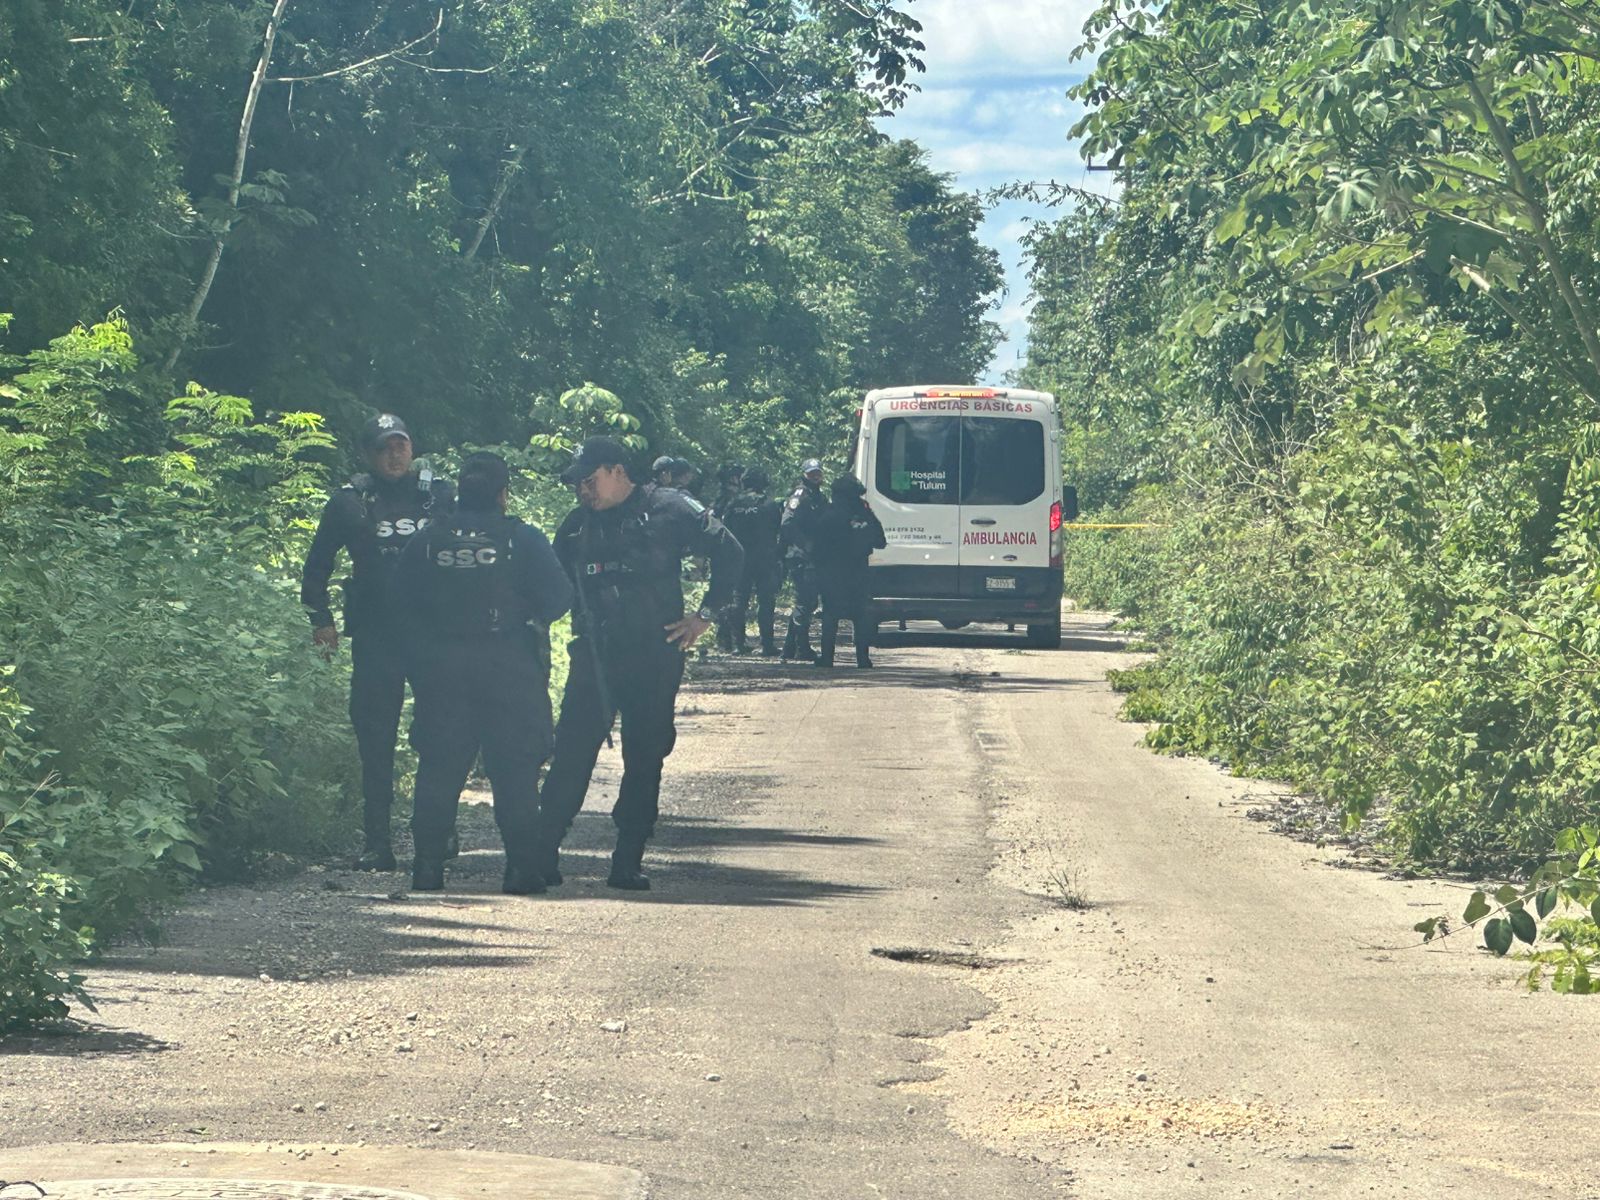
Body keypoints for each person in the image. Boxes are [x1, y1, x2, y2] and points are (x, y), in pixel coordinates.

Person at [537, 436, 744, 891]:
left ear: (617, 471)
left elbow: (731, 552)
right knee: (571, 752)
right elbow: (551, 587)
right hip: (595, 657)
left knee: (645, 755)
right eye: (577, 484)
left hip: (653, 655)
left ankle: (628, 858)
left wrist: (705, 616)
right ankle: (542, 853)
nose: (583, 491)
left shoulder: (669, 508)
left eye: (590, 480)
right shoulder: (575, 527)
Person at [396, 452, 573, 893]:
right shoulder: (521, 538)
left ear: (459, 492)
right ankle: (521, 871)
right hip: (507, 664)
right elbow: (559, 598)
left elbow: (400, 600)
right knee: (515, 769)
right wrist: (523, 613)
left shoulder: (428, 540)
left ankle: (427, 869)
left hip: (443, 665)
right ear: (502, 494)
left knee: (439, 766)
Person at [301, 413, 455, 871]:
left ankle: (440, 831)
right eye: (384, 447)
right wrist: (321, 620)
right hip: (376, 638)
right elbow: (317, 567)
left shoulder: (440, 496)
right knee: (375, 738)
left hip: (434, 636)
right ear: (367, 454)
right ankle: (377, 843)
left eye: (401, 445)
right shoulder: (349, 503)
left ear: (413, 448)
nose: (394, 454)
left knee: (442, 732)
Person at [812, 474, 887, 669]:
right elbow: (881, 541)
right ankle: (863, 659)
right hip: (859, 572)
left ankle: (827, 659)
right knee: (860, 615)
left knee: (830, 615)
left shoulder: (827, 515)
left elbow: (816, 548)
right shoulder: (865, 514)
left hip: (832, 573)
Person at [722, 467, 784, 655]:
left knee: (739, 600)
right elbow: (779, 529)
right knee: (766, 601)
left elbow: (725, 531)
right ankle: (766, 645)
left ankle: (737, 644)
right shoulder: (770, 505)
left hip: (740, 558)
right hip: (765, 559)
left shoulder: (733, 505)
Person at [779, 458, 827, 661]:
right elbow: (787, 522)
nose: (815, 476)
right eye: (811, 473)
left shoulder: (818, 497)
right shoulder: (800, 495)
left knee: (806, 601)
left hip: (813, 556)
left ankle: (789, 648)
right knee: (805, 602)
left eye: (818, 473)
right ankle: (802, 648)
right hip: (800, 556)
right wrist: (804, 543)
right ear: (804, 474)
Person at [711, 463, 745, 651]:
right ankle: (728, 640)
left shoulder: (722, 500)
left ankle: (730, 640)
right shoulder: (726, 501)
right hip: (726, 552)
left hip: (726, 552)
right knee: (729, 597)